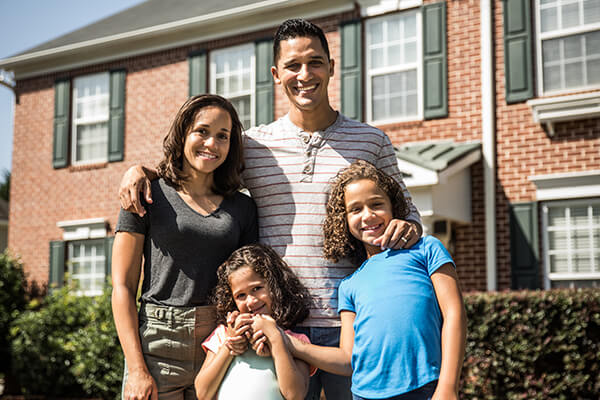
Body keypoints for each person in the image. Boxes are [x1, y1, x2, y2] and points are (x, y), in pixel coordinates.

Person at [118, 19, 423, 399]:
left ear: (331, 66)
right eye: (293, 66)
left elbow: (408, 215)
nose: (304, 74)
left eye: (315, 62)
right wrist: (142, 170)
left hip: (352, 323)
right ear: (277, 75)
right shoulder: (253, 146)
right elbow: (200, 170)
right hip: (274, 325)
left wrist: (409, 227)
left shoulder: (372, 141)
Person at [112, 94, 258, 400]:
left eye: (222, 136)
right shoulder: (146, 194)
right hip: (157, 345)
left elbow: (249, 284)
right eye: (202, 131)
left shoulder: (243, 207)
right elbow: (123, 287)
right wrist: (138, 370)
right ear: (182, 135)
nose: (211, 143)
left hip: (218, 341)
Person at [283, 160, 467, 400]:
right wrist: (291, 343)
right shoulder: (349, 285)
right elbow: (348, 359)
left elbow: (455, 313)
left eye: (376, 204)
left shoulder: (426, 249)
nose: (368, 215)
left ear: (394, 207)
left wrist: (448, 386)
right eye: (355, 209)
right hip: (365, 394)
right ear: (344, 220)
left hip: (427, 389)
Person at [194, 243, 313, 400]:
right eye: (241, 295)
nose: (250, 301)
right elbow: (202, 393)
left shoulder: (296, 341)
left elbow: (295, 395)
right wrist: (230, 345)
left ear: (274, 284)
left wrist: (276, 339)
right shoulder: (223, 335)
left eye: (257, 288)